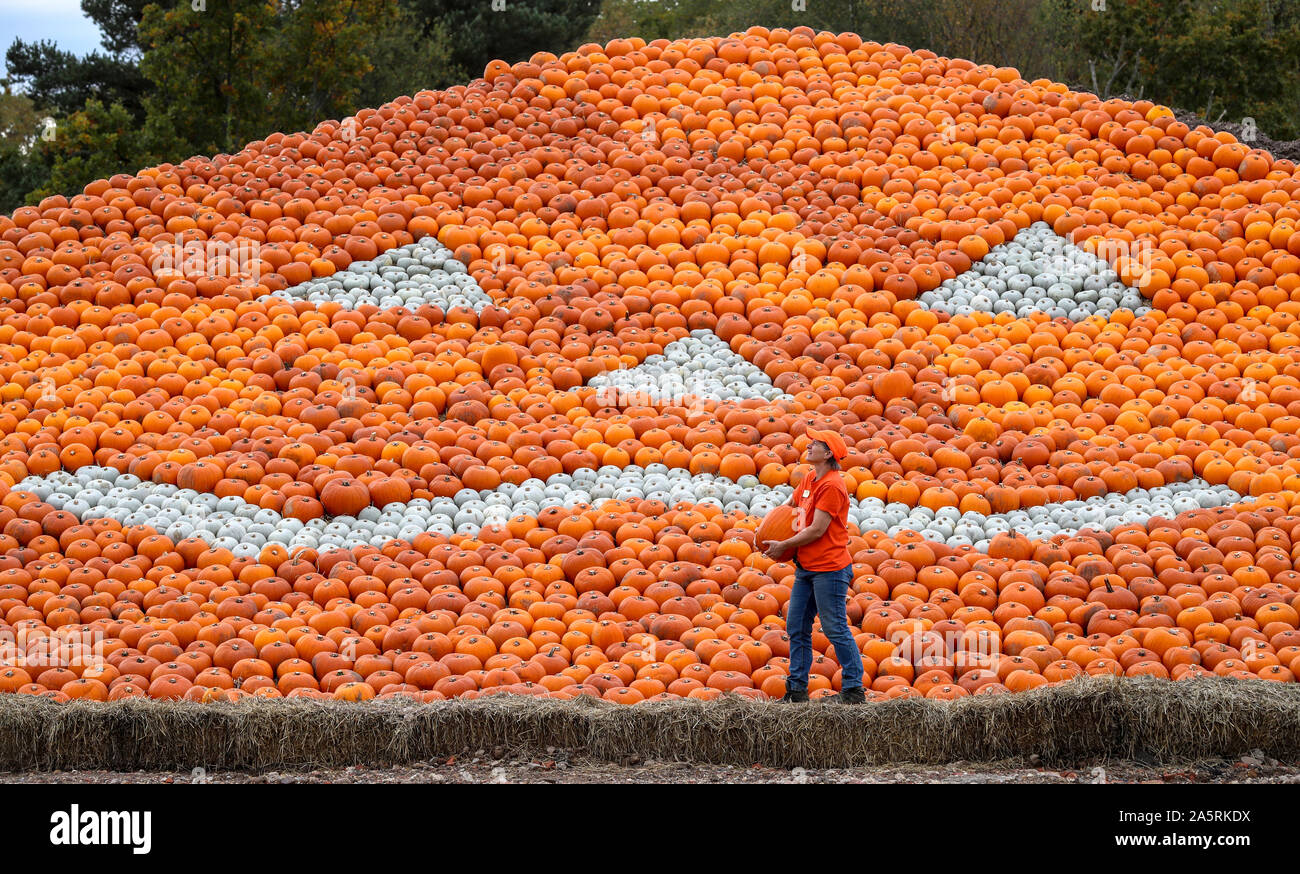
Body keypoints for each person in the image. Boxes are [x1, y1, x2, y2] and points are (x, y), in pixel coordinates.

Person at [760, 427, 864, 704]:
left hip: (830, 569)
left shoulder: (832, 485)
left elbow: (818, 529)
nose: (808, 446)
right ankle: (796, 691)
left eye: (814, 443)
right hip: (807, 566)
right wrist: (769, 528)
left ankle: (854, 690)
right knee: (796, 625)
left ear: (828, 453)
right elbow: (789, 507)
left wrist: (783, 545)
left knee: (834, 628)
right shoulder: (809, 479)